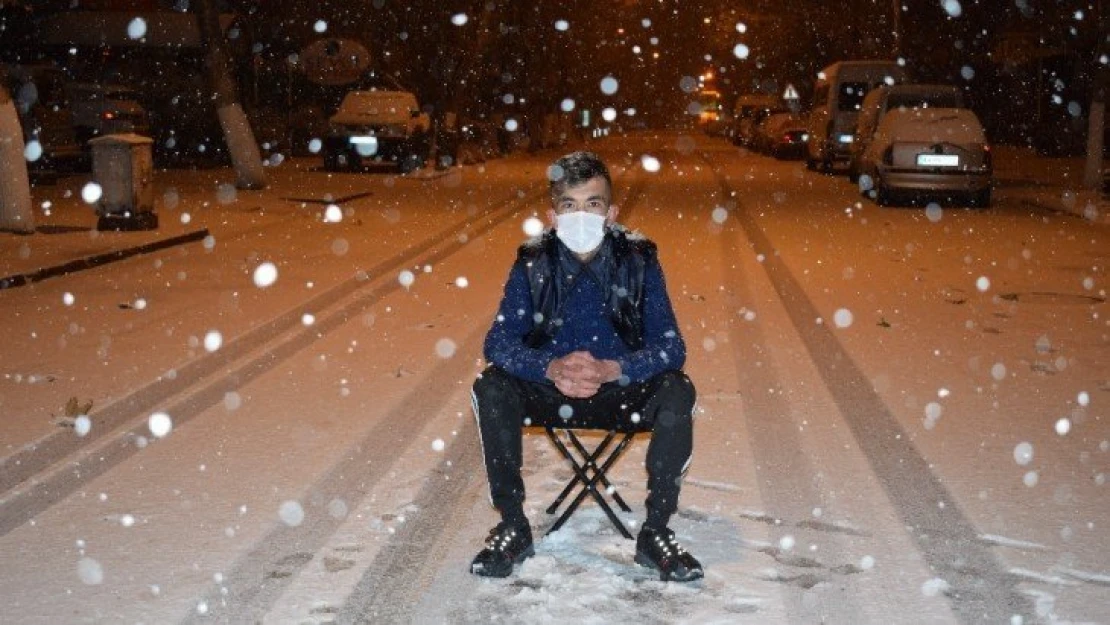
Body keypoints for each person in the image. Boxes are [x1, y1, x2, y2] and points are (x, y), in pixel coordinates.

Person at [469, 151, 701, 582]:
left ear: (611, 213)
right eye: (569, 205)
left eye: (592, 204)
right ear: (552, 216)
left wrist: (614, 369)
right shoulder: (533, 261)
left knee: (676, 388)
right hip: (550, 393)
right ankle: (513, 525)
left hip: (619, 392)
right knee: (492, 385)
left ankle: (656, 532)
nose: (581, 215)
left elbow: (671, 346)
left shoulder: (639, 259)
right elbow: (497, 342)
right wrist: (550, 367)